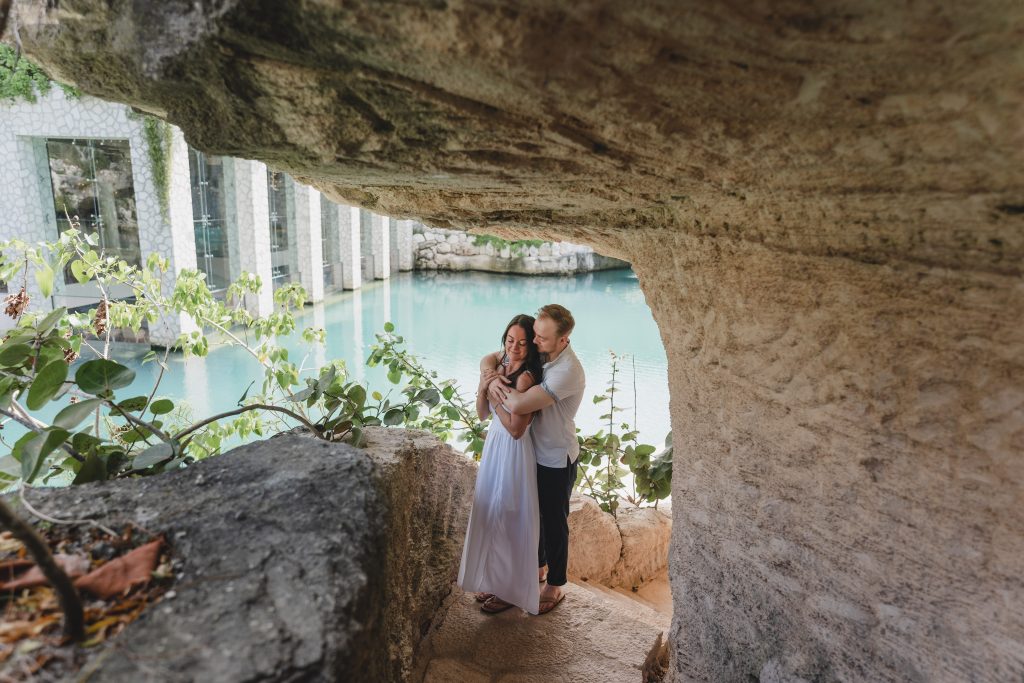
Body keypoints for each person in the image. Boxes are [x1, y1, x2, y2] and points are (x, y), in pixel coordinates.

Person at [483, 304, 585, 615]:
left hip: (555, 456)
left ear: (563, 340)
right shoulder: (542, 353)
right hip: (530, 451)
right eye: (535, 335)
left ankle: (554, 584)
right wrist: (489, 373)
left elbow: (519, 403)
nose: (535, 340)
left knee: (554, 521)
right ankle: (538, 568)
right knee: (532, 516)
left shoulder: (567, 371)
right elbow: (491, 356)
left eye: (541, 337)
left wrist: (491, 388)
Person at [458, 314, 546, 614]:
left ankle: (510, 591)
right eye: (510, 341)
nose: (515, 348)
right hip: (495, 445)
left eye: (522, 343)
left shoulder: (525, 378)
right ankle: (496, 581)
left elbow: (516, 428)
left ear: (531, 345)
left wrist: (496, 394)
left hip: (514, 450)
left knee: (509, 517)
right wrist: (485, 384)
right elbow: (482, 414)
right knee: (493, 512)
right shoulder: (500, 365)